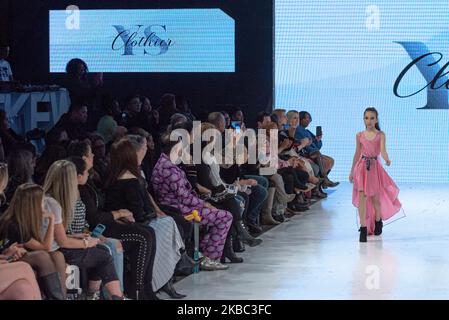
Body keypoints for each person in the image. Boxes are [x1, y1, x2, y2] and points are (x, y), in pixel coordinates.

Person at [349, 107, 402, 242]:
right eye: (367, 118)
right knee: (362, 198)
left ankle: (378, 221)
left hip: (374, 169)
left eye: (372, 118)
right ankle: (363, 227)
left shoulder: (380, 134)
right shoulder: (359, 135)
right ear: (364, 119)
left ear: (376, 119)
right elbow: (357, 153)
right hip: (361, 168)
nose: (369, 121)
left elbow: (383, 150)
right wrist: (351, 170)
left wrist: (387, 159)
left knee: (375, 200)